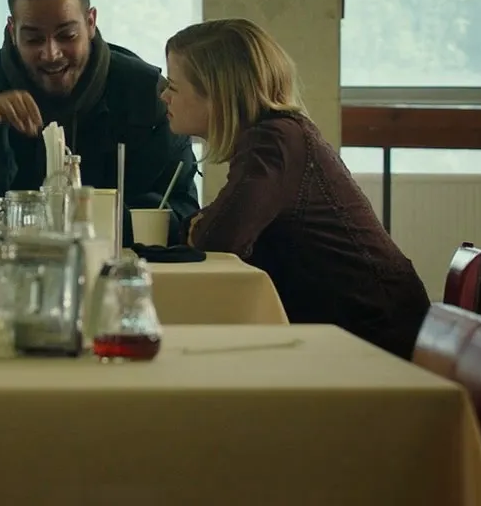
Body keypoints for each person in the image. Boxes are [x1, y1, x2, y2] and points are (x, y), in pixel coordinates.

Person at [162, 18, 430, 359]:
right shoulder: (277, 135)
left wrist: (202, 225)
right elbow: (219, 228)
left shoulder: (272, 141)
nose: (164, 96)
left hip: (373, 334)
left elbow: (217, 238)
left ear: (217, 94)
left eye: (173, 87)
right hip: (352, 325)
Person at [0, 0, 198, 243]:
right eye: (33, 39)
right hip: (3, 263)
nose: (51, 54)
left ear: (90, 22)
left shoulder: (143, 91)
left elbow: (184, 213)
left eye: (67, 35)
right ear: (12, 31)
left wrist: (99, 219)